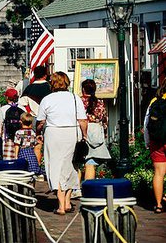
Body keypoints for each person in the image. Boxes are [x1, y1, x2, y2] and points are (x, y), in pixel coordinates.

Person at [36, 71, 88, 215]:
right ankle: (67, 202)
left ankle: (60, 205)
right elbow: (83, 121)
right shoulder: (74, 97)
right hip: (72, 132)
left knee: (55, 167)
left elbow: (40, 122)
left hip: (54, 133)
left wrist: (38, 131)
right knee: (71, 166)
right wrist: (84, 135)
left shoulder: (47, 99)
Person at [20, 65, 52, 164]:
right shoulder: (50, 87)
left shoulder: (29, 88)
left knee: (37, 145)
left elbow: (22, 104)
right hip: (49, 119)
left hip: (34, 119)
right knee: (50, 146)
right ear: (45, 75)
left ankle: (37, 167)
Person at [143, 78, 166, 214]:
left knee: (158, 173)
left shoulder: (154, 102)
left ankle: (158, 204)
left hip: (156, 142)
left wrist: (147, 142)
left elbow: (147, 124)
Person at [81, 79, 111, 180]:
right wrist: (105, 133)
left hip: (82, 131)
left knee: (77, 163)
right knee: (90, 162)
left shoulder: (79, 102)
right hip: (96, 132)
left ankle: (76, 189)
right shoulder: (99, 103)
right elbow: (104, 120)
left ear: (83, 89)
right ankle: (88, 189)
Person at [1, 88, 24, 160]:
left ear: (7, 97)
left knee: (8, 157)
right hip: (21, 137)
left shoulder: (2, 109)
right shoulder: (22, 108)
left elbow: (1, 125)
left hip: (8, 137)